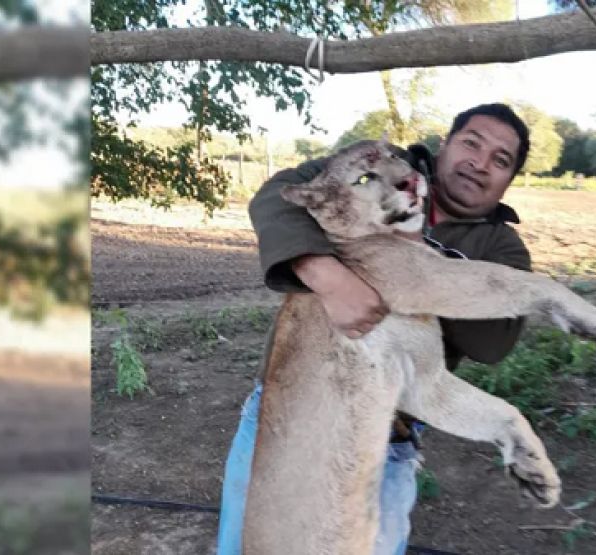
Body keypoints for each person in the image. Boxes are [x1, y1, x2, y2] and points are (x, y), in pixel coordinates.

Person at [217, 103, 534, 555]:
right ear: (446, 143)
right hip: (285, 415)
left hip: (381, 442)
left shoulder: (501, 247)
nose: (480, 163)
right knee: (245, 546)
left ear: (509, 180)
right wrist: (327, 274)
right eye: (472, 142)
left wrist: (416, 265)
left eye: (500, 160)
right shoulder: (371, 164)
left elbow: (493, 341)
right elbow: (277, 194)